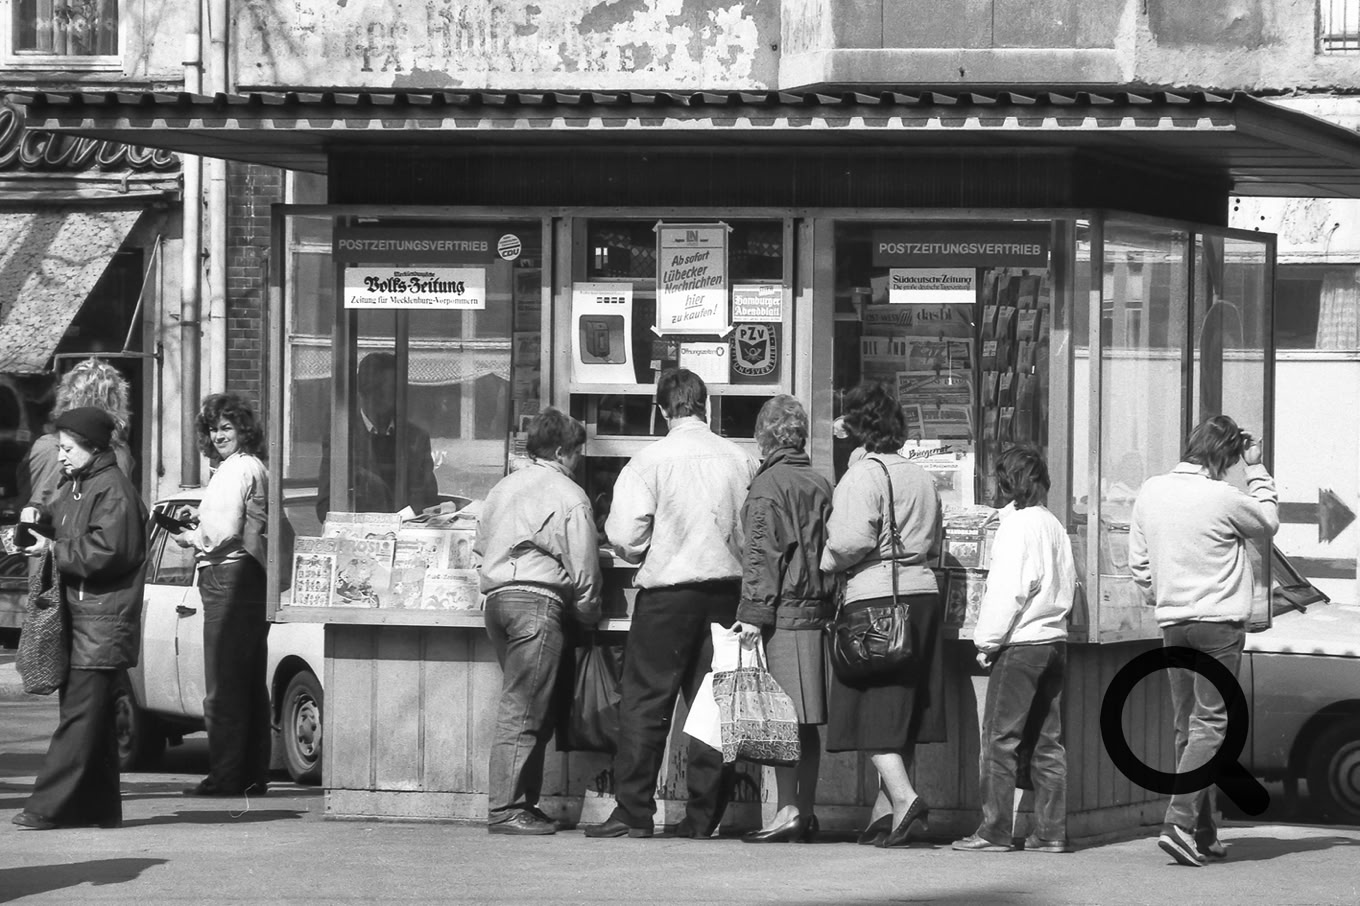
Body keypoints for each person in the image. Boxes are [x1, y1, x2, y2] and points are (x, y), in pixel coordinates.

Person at [585, 369, 757, 839]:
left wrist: (640, 551)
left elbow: (623, 534)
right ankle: (703, 818)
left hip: (665, 598)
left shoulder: (649, 461)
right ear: (706, 406)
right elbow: (752, 532)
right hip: (726, 596)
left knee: (645, 703)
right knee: (714, 707)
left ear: (662, 410)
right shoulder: (739, 459)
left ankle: (635, 811)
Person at [1129, 415, 1279, 867]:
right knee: (1212, 726)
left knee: (1188, 728)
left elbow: (1139, 563)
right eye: (1233, 459)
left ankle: (1202, 832)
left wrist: (1164, 595)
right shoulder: (1223, 497)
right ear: (1225, 456)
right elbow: (1268, 522)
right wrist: (1257, 468)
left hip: (1174, 623)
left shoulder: (1151, 491)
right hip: (1218, 625)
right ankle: (1177, 822)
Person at [821, 381, 945, 849]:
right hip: (922, 596)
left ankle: (906, 798)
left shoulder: (863, 477)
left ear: (857, 429)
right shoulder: (919, 476)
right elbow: (932, 536)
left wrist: (826, 561)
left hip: (876, 601)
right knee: (901, 708)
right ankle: (886, 809)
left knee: (867, 706)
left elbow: (850, 541)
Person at [12, 407, 148, 830]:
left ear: (92, 448)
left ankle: (46, 806)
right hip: (85, 618)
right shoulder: (81, 484)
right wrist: (40, 522)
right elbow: (72, 529)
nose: (62, 457)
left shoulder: (112, 490)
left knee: (78, 719)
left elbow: (110, 551)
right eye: (60, 449)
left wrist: (53, 551)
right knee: (94, 721)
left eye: (69, 449)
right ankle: (99, 807)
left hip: (101, 621)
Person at [475, 408, 603, 835]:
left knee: (527, 705)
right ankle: (506, 809)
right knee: (525, 709)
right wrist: (586, 613)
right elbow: (584, 566)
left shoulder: (503, 488)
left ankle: (521, 804)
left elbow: (480, 545)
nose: (581, 458)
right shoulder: (569, 494)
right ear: (564, 451)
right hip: (537, 603)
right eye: (579, 450)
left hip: (497, 602)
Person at [953, 445, 1077, 854]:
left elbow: (1007, 591)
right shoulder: (1054, 525)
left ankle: (993, 830)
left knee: (1000, 739)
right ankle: (1051, 831)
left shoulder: (1017, 527)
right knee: (1047, 743)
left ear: (1007, 482)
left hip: (1022, 643)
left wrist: (986, 642)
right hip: (1055, 640)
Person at [733, 395, 834, 844]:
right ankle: (804, 810)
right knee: (805, 723)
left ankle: (786, 809)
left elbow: (760, 555)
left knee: (780, 721)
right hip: (816, 615)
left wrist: (753, 615)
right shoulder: (820, 482)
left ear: (763, 437)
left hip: (783, 616)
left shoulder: (768, 486)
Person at [173, 393, 272, 797]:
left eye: (226, 428)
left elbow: (222, 531)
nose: (218, 436)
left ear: (242, 429)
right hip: (250, 576)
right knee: (247, 682)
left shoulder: (234, 471)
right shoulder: (253, 467)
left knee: (223, 684)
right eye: (213, 429)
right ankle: (251, 772)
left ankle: (227, 775)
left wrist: (191, 536)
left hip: (226, 577)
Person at [315, 352, 440, 519]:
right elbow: (326, 506)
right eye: (385, 391)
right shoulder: (343, 438)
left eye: (396, 391)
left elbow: (428, 498)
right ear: (366, 392)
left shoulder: (416, 437)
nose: (393, 399)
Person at [19, 357, 136, 517]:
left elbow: (24, 489)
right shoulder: (119, 454)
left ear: (66, 395)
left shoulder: (43, 446)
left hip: (42, 535)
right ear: (114, 401)